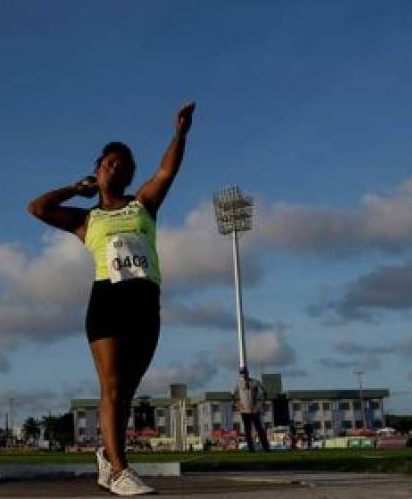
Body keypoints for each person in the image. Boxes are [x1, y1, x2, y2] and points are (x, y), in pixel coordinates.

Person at [28, 101, 195, 496]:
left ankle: (107, 457)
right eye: (109, 163)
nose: (115, 168)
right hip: (107, 301)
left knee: (128, 391)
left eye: (123, 165)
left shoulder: (144, 204)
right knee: (113, 389)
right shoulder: (87, 220)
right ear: (97, 169)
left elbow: (168, 170)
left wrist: (180, 134)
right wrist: (76, 188)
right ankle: (121, 471)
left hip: (145, 300)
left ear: (131, 174)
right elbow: (37, 208)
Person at [233, 367, 270, 452]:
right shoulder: (239, 384)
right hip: (244, 411)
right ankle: (251, 448)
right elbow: (234, 396)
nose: (243, 374)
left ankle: (266, 447)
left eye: (244, 372)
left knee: (259, 429)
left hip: (254, 410)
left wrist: (261, 404)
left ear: (248, 373)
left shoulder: (255, 382)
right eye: (242, 373)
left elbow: (264, 392)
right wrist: (238, 406)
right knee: (247, 430)